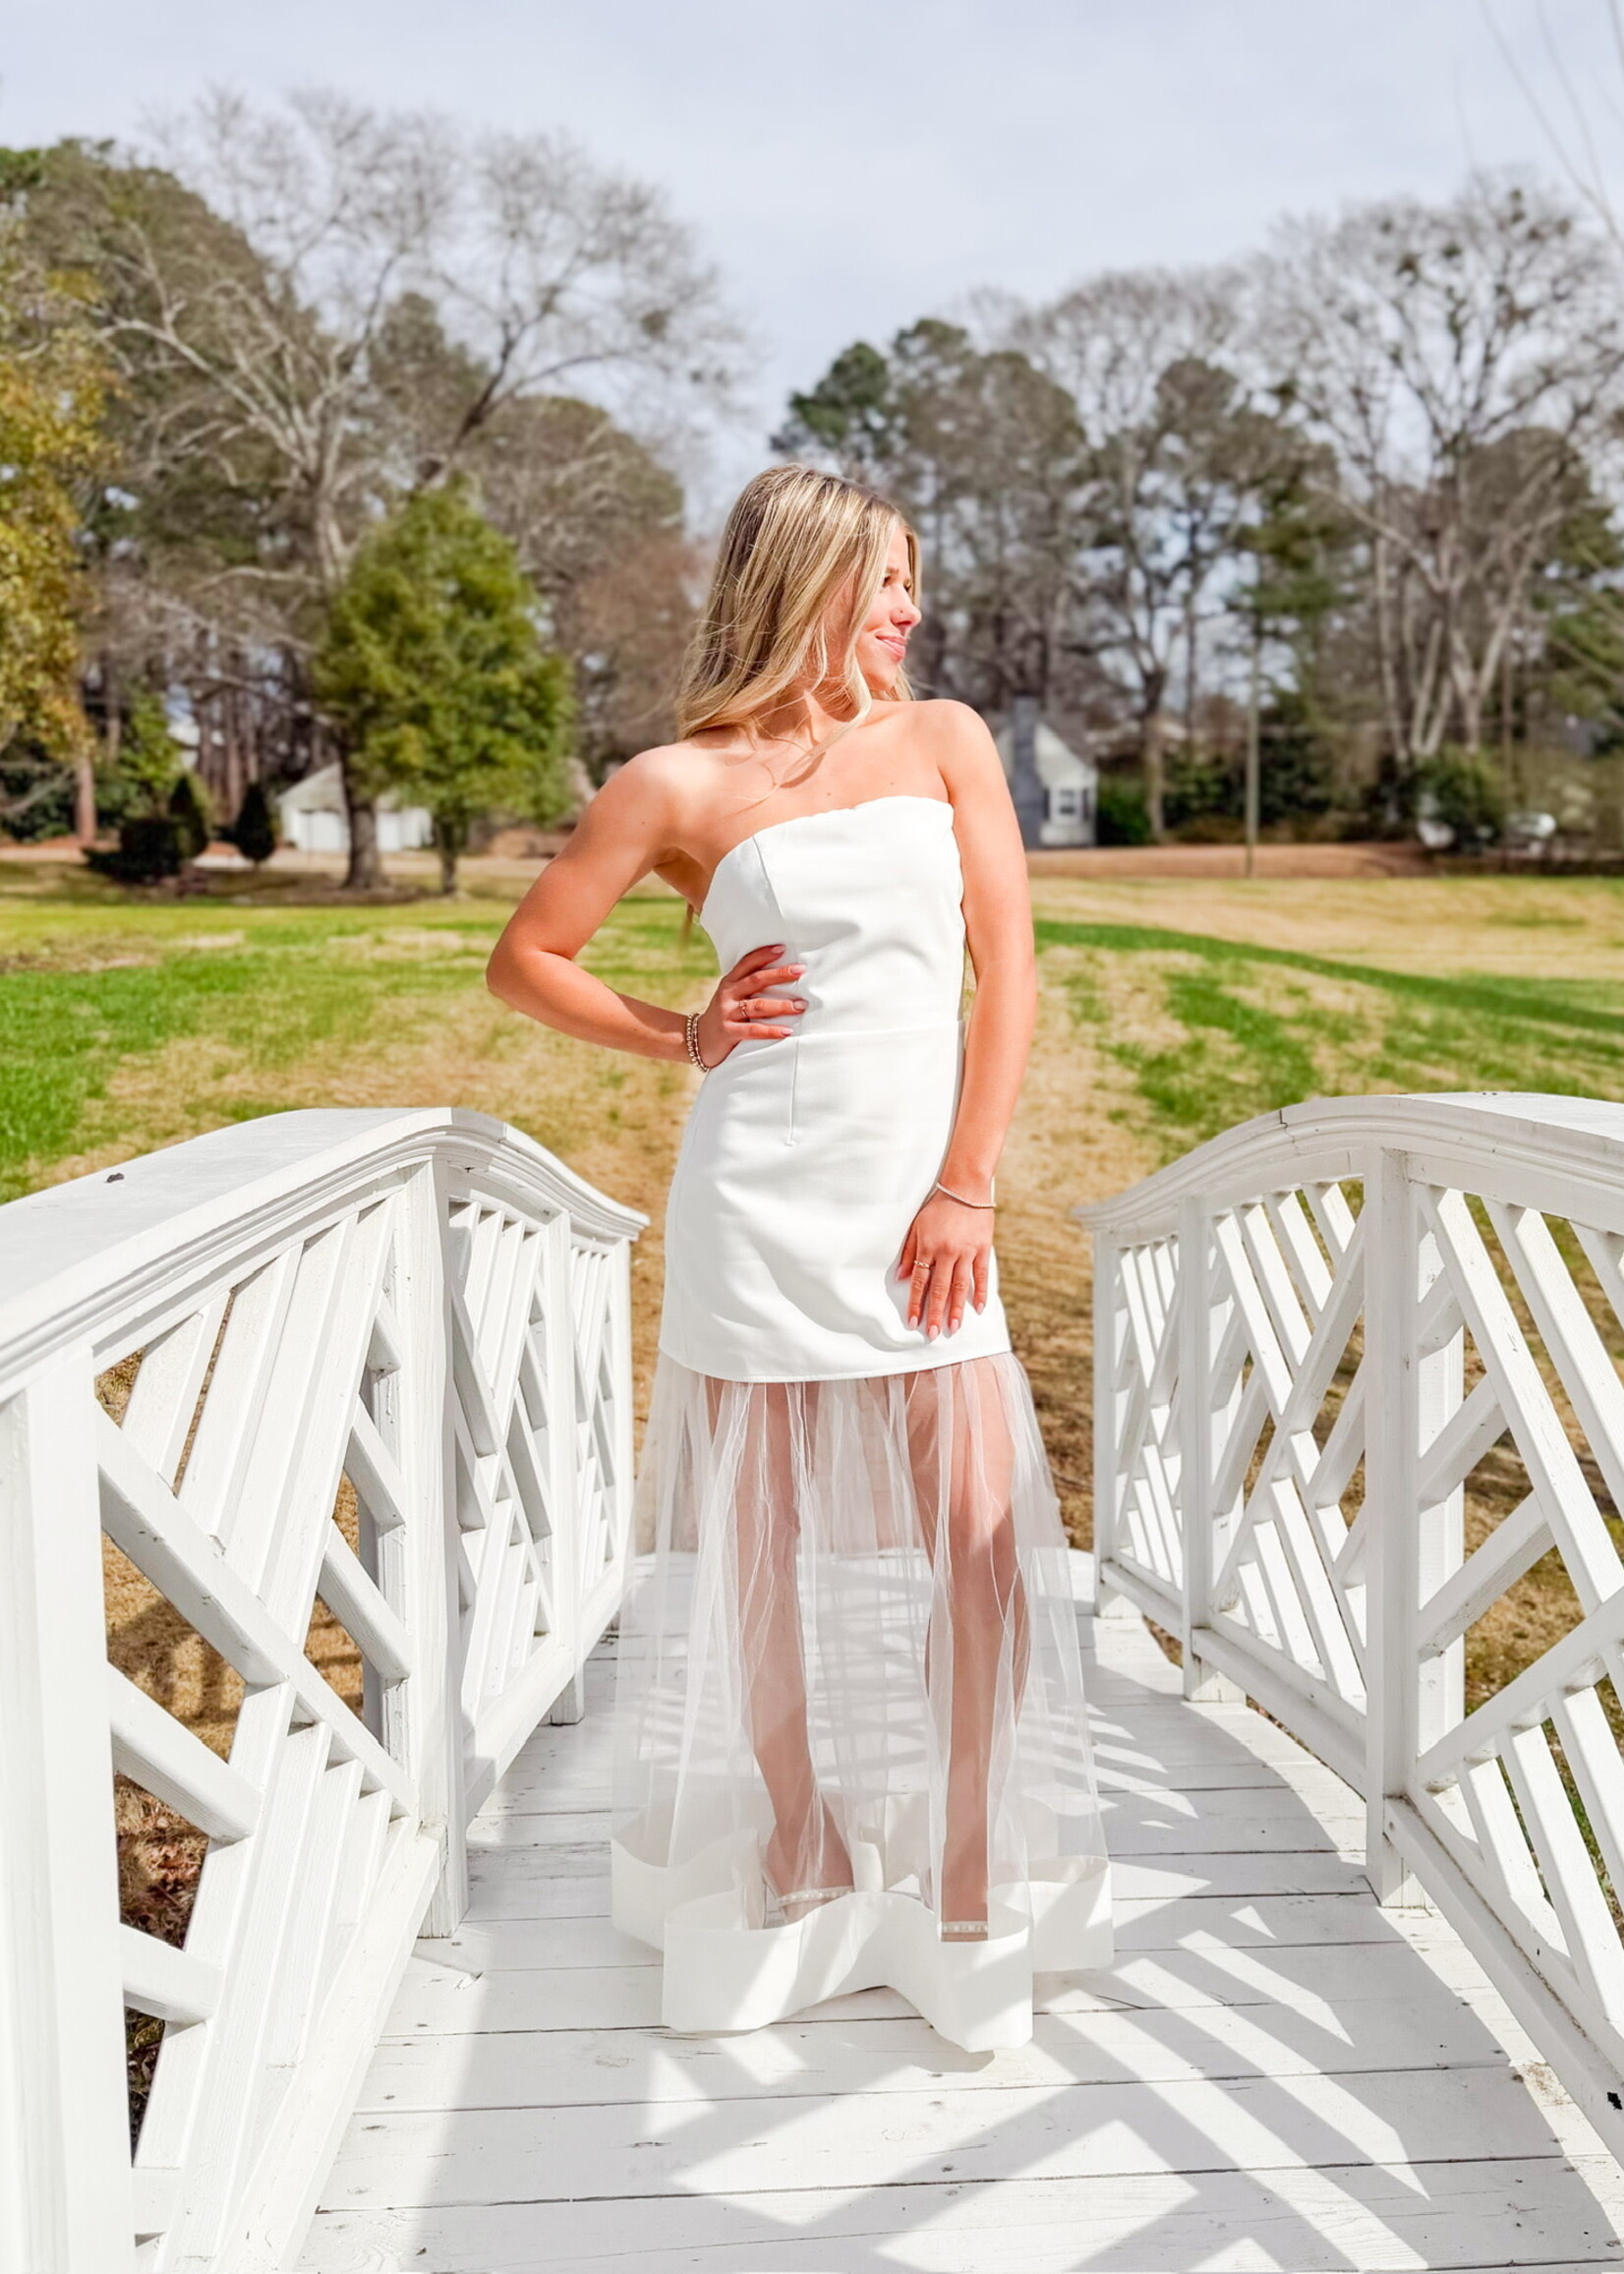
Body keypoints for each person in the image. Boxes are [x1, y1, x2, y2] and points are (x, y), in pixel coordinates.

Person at [487, 464, 1110, 2051]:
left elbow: (1010, 967)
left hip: (921, 1210)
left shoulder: (946, 739)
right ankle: (803, 1836)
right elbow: (526, 958)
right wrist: (682, 1029)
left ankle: (969, 1853)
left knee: (979, 1546)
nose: (910, 607)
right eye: (887, 577)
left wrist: (967, 1183)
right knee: (755, 1563)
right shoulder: (676, 783)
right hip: (759, 1202)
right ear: (808, 576)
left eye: (916, 579)